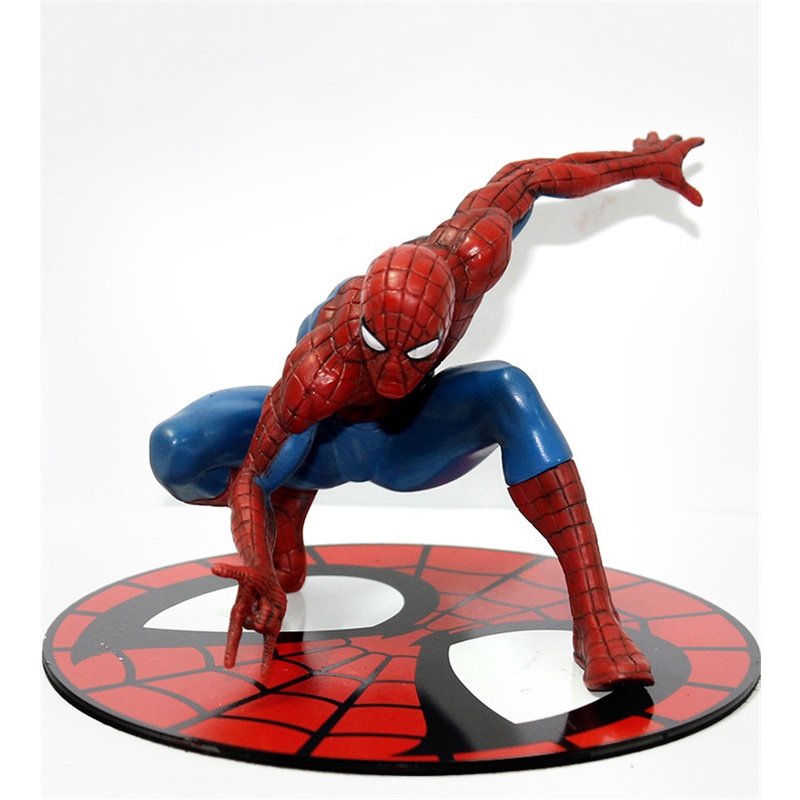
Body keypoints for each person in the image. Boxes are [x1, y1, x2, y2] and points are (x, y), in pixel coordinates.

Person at [150, 132, 703, 690]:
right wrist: (256, 563)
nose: (394, 375)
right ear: (360, 322)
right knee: (174, 449)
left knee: (509, 387)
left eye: (417, 353)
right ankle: (288, 513)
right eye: (379, 348)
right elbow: (252, 475)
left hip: (407, 439)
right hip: (323, 444)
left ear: (451, 306)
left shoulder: (474, 251)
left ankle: (596, 621)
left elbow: (535, 176)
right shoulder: (323, 365)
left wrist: (645, 162)